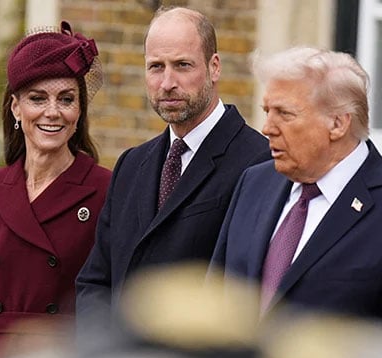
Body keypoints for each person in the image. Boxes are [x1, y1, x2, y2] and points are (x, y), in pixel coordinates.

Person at [208, 46, 382, 323]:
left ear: (338, 124)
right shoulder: (254, 183)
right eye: (267, 111)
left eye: (284, 114)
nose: (268, 128)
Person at [75, 7, 270, 338]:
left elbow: (246, 292)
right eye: (156, 67)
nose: (167, 83)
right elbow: (96, 279)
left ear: (214, 67)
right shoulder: (131, 165)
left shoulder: (259, 163)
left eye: (182, 65)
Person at [0, 21, 111, 358]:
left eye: (66, 99)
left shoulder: (106, 189)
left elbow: (112, 307)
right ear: (16, 108)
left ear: (79, 110)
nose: (52, 112)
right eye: (38, 98)